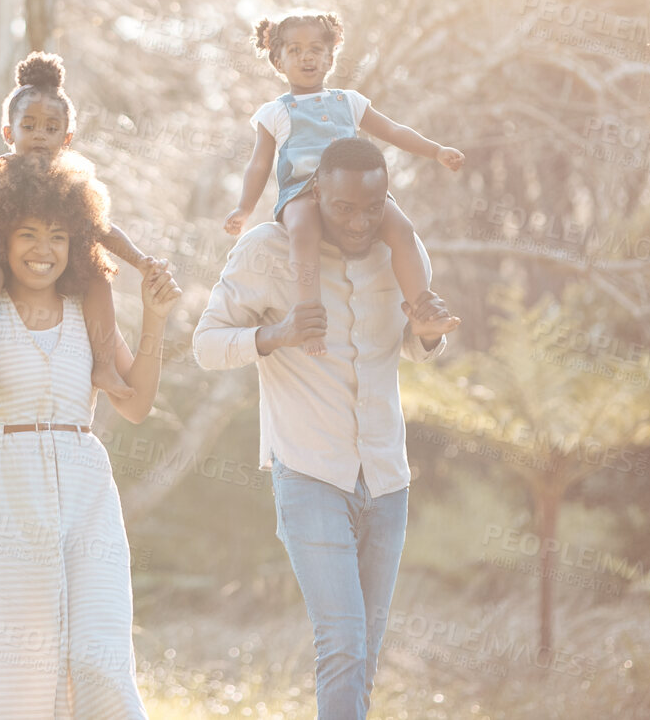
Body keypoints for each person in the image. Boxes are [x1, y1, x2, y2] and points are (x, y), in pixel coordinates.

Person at [0, 152, 181, 719]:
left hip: (84, 502)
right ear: (0, 234)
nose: (43, 249)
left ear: (76, 242)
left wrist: (155, 320)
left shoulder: (88, 313)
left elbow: (136, 404)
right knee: (2, 673)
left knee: (97, 659)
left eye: (58, 235)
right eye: (27, 233)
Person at [195, 137, 459, 720]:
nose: (361, 222)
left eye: (374, 207)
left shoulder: (403, 252)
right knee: (341, 644)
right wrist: (276, 335)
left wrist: (431, 332)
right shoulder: (265, 252)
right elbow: (206, 345)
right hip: (310, 473)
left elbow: (414, 349)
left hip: (388, 479)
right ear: (316, 191)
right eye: (344, 208)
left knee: (365, 653)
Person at [224, 12, 463, 355]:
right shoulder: (275, 112)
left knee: (401, 227)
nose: (307, 57)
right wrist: (244, 208)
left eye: (315, 49)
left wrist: (436, 150)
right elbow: (260, 164)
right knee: (302, 231)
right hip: (302, 192)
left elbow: (393, 131)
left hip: (355, 193)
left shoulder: (349, 101)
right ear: (278, 61)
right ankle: (309, 320)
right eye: (295, 50)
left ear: (330, 57)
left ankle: (422, 308)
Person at [0, 52, 161, 398]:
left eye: (51, 128)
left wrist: (139, 259)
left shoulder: (69, 180)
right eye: (28, 126)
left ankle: (103, 366)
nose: (40, 135)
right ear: (8, 132)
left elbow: (102, 229)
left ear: (67, 137)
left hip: (34, 258)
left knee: (96, 273)